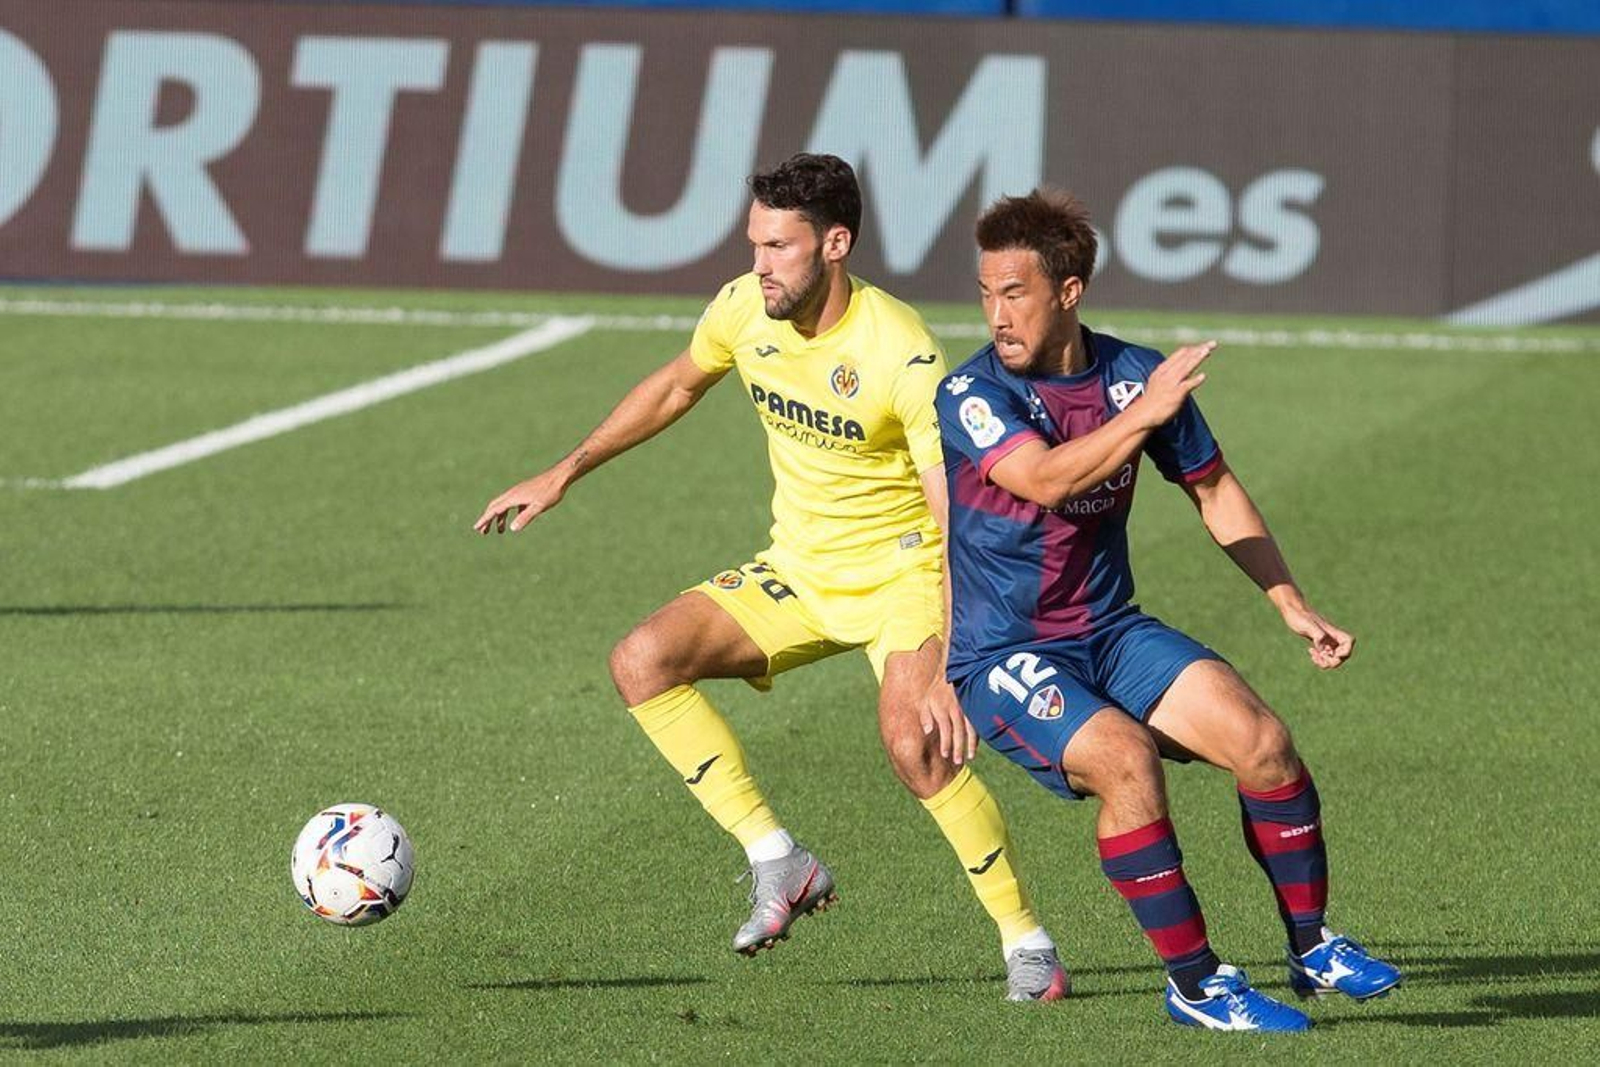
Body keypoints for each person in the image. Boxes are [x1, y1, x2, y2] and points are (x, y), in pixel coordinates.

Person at [473, 154, 1066, 1001]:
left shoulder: (900, 351)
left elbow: (953, 513)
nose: (760, 263)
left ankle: (1027, 943)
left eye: (779, 246)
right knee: (643, 659)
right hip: (799, 566)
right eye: (754, 241)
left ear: (835, 244)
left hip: (902, 574)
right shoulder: (743, 308)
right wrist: (565, 470)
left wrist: (944, 655)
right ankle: (776, 858)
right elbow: (678, 385)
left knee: (916, 741)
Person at [932, 188, 1401, 1031]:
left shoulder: (1129, 372)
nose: (996, 313)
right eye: (985, 292)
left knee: (1263, 743)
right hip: (1002, 652)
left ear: (1068, 292)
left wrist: (1288, 600)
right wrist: (1146, 411)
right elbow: (1045, 479)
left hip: (1110, 631)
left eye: (1014, 292)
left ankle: (1312, 947)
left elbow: (1213, 490)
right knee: (1124, 761)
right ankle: (1197, 985)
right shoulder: (972, 390)